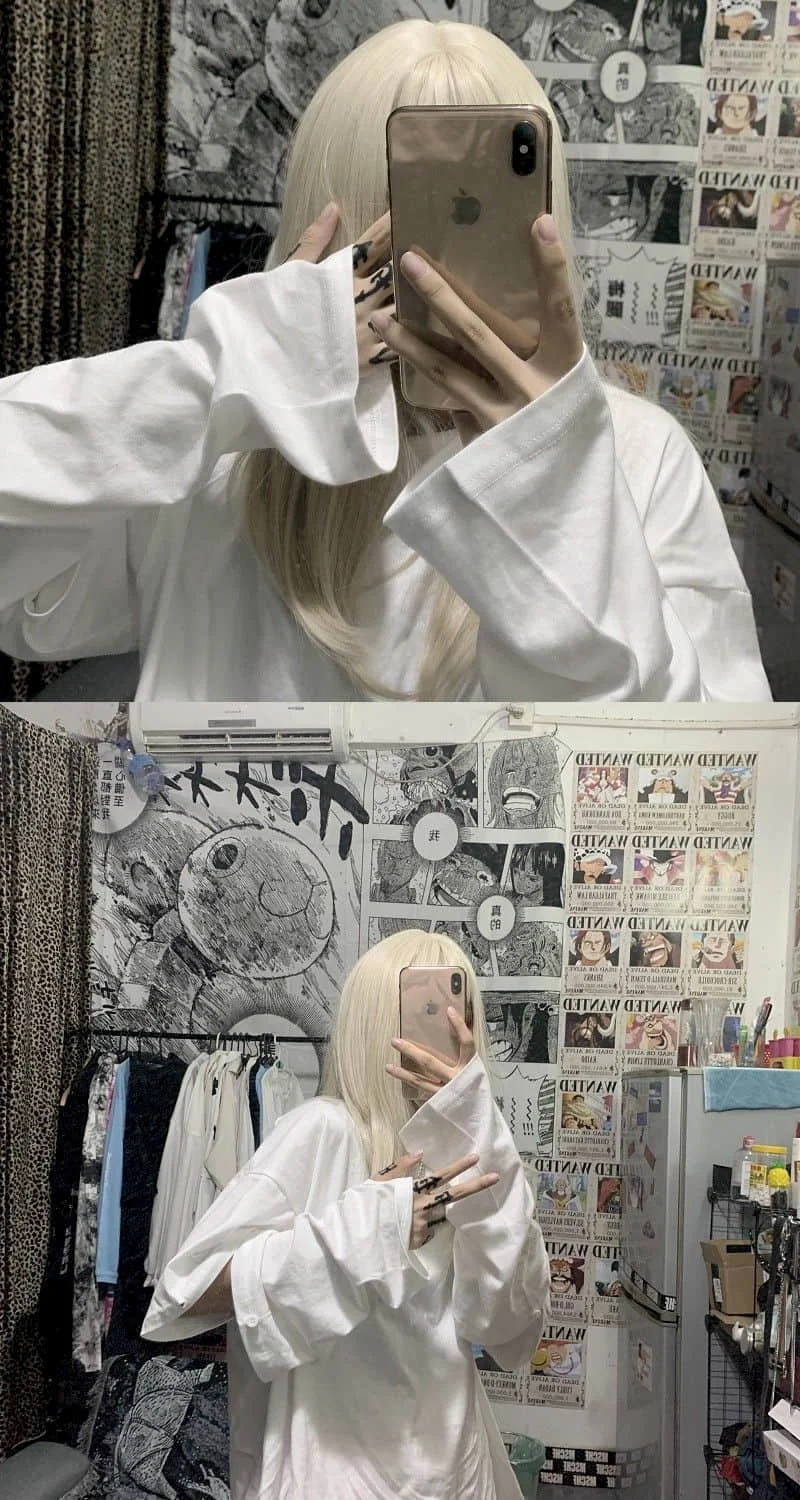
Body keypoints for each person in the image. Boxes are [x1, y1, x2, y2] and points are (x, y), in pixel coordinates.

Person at [0, 20, 769, 702]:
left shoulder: (636, 458)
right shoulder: (215, 449)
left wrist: (551, 487)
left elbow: (697, 780)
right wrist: (227, 376)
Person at [141, 930, 550, 1500]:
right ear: (380, 1021)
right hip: (333, 1473)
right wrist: (369, 1232)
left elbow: (507, 1332)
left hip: (454, 1472)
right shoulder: (322, 1131)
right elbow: (183, 1297)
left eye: (462, 1010)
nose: (453, 1027)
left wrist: (488, 1155)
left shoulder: (475, 1150)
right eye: (427, 1008)